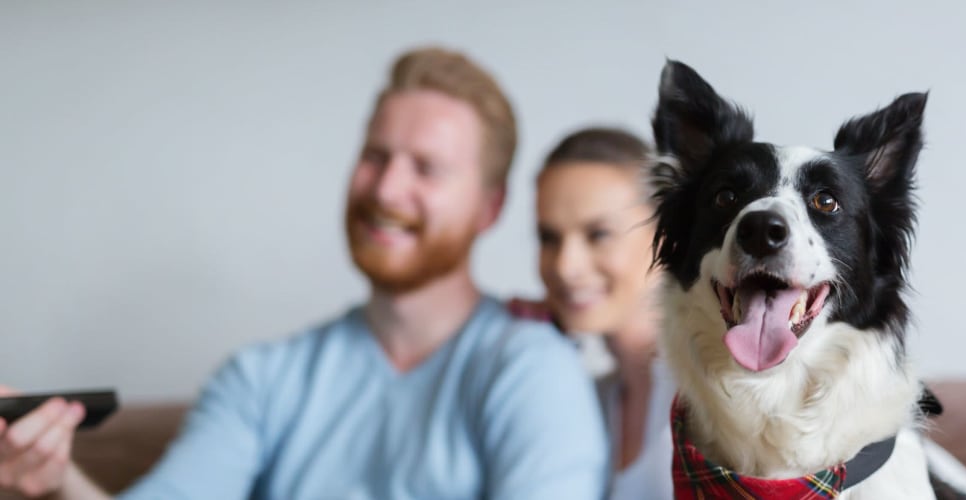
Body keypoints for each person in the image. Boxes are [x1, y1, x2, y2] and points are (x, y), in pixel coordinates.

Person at [0, 47, 609, 500]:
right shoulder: (262, 378)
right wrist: (56, 481)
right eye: (375, 157)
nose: (388, 188)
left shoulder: (530, 369)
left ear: (489, 207)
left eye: (426, 167)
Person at [509, 127, 675, 499]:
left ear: (666, 236)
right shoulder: (588, 400)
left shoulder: (720, 393)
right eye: (548, 237)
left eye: (598, 234)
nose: (566, 266)